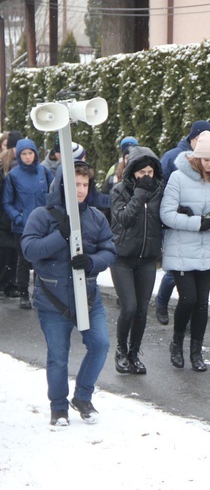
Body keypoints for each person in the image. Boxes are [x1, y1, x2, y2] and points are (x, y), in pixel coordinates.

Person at [21, 160, 116, 426]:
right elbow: (29, 250)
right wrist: (60, 236)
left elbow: (109, 250)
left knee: (100, 345)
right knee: (58, 356)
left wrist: (92, 262)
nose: (81, 190)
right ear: (63, 184)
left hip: (87, 298)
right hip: (53, 300)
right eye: (75, 184)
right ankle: (59, 407)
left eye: (85, 184)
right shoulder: (42, 215)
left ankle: (83, 397)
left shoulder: (96, 217)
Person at [160, 131, 210, 372]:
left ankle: (196, 351)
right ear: (196, 157)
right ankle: (177, 343)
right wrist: (196, 223)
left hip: (208, 249)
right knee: (188, 298)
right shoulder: (178, 178)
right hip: (181, 248)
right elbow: (166, 214)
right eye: (206, 159)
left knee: (202, 303)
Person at [109, 146, 163, 375]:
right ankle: (121, 350)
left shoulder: (160, 190)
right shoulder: (118, 190)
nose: (146, 177)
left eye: (150, 172)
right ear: (132, 173)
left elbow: (165, 215)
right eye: (141, 173)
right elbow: (123, 218)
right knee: (129, 307)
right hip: (122, 257)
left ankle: (134, 352)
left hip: (147, 258)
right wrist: (140, 194)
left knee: (142, 309)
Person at [156, 121, 210, 325]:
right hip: (178, 223)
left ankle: (189, 319)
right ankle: (161, 302)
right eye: (200, 138)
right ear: (192, 137)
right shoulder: (172, 157)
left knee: (196, 276)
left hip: (201, 227)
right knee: (176, 272)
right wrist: (175, 207)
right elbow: (160, 186)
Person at [3, 138, 54, 309]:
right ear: (19, 154)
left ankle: (41, 293)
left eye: (30, 153)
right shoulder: (13, 175)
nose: (27, 157)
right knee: (23, 260)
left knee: (42, 259)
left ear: (35, 154)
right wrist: (18, 217)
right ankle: (23, 294)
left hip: (43, 224)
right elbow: (7, 202)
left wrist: (51, 215)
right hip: (21, 225)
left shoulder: (44, 172)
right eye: (23, 154)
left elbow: (53, 194)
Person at [0, 132, 18, 298]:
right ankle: (7, 284)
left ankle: (9, 284)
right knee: (7, 250)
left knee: (10, 251)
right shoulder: (5, 165)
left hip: (8, 214)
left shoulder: (14, 164)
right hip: (5, 215)